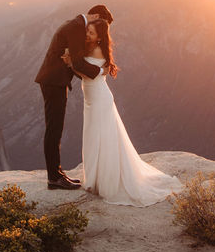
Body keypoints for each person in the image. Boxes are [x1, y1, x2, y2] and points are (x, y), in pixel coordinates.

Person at [64, 19, 183, 206]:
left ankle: (105, 182)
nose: (87, 35)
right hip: (92, 99)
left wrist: (72, 63)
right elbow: (86, 73)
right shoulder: (90, 48)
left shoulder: (97, 51)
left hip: (99, 100)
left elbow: (89, 73)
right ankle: (96, 178)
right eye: (88, 31)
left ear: (100, 37)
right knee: (93, 136)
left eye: (92, 33)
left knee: (100, 137)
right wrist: (73, 63)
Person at [34, 4, 114, 190]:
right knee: (54, 130)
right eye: (100, 22)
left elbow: (76, 63)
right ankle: (54, 178)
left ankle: (57, 173)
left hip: (55, 81)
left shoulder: (76, 24)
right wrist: (102, 71)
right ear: (94, 15)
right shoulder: (76, 27)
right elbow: (77, 62)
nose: (99, 27)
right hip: (54, 82)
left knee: (55, 128)